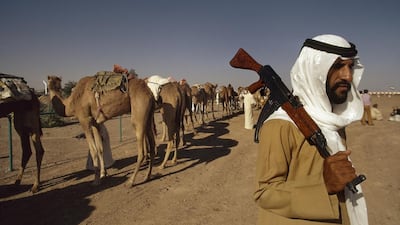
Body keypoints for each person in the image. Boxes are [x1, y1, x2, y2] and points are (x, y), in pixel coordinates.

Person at [254, 34, 368, 225]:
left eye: (350, 66)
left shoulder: (332, 122)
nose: (348, 76)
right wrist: (323, 188)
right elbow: (264, 193)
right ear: (315, 70)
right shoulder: (280, 125)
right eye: (338, 66)